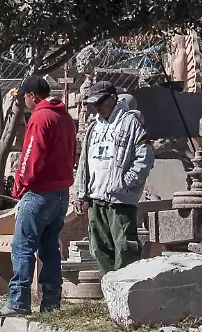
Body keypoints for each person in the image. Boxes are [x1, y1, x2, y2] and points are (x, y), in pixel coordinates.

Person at [1, 75, 77, 317]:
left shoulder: (40, 118)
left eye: (24, 96)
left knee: (22, 247)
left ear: (33, 96)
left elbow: (30, 156)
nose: (24, 101)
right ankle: (51, 303)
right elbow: (72, 152)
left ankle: (18, 302)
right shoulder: (64, 118)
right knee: (50, 247)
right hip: (61, 193)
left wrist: (19, 186)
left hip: (39, 193)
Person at [74, 80, 152, 273]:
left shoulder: (131, 123)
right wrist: (81, 192)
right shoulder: (93, 128)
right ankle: (109, 294)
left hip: (120, 200)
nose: (97, 107)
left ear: (113, 98)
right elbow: (84, 161)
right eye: (94, 103)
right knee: (100, 249)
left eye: (100, 101)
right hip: (95, 198)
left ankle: (127, 293)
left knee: (125, 247)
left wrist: (125, 183)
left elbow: (145, 157)